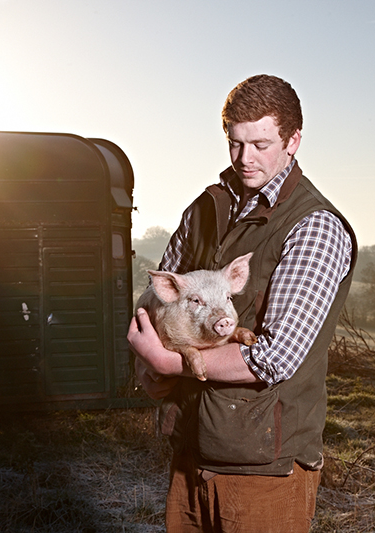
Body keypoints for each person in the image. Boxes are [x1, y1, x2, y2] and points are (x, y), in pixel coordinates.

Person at [128, 74, 357, 532]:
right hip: (191, 446)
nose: (244, 158)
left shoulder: (314, 226)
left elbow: (275, 357)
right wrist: (147, 368)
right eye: (235, 143)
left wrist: (169, 363)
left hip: (263, 466)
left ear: (293, 141)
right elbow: (157, 300)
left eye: (261, 144)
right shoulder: (205, 209)